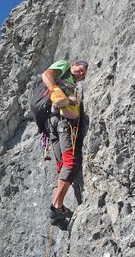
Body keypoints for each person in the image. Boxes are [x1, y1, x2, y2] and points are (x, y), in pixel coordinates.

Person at [41, 60, 88, 229]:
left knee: (62, 166)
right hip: (62, 122)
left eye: (83, 73)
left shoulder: (71, 83)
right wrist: (58, 93)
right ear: (74, 64)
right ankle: (57, 208)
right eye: (80, 69)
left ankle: (57, 214)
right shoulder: (64, 66)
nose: (80, 73)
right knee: (71, 163)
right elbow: (46, 75)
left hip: (53, 126)